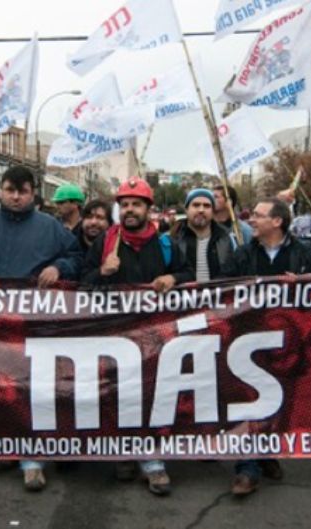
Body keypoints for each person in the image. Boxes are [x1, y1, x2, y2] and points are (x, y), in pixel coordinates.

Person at [0, 165, 82, 492]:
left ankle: (33, 459)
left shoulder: (51, 227)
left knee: (31, 389)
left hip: (35, 325)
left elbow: (77, 256)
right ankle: (7, 447)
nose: (15, 196)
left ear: (33, 195)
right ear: (0, 191)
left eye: (22, 191)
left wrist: (58, 266)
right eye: (10, 189)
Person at [81, 176, 194, 496]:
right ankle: (123, 453)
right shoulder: (106, 242)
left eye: (136, 204)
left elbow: (188, 276)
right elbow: (80, 286)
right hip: (112, 335)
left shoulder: (166, 244)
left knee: (151, 396)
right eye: (124, 204)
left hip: (155, 338)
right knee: (116, 395)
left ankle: (152, 460)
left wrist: (173, 277)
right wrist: (101, 272)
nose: (130, 210)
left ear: (148, 208)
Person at [223, 198, 311, 497]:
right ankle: (247, 467)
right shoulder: (242, 254)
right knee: (250, 401)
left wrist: (303, 285)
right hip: (249, 343)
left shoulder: (304, 255)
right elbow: (223, 290)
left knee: (282, 400)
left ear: (277, 222)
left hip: (289, 343)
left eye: (259, 215)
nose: (252, 220)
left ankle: (268, 453)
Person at [171, 189, 236, 283]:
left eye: (207, 206)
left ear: (213, 211)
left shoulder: (226, 239)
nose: (201, 210)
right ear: (186, 209)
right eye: (196, 205)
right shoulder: (173, 238)